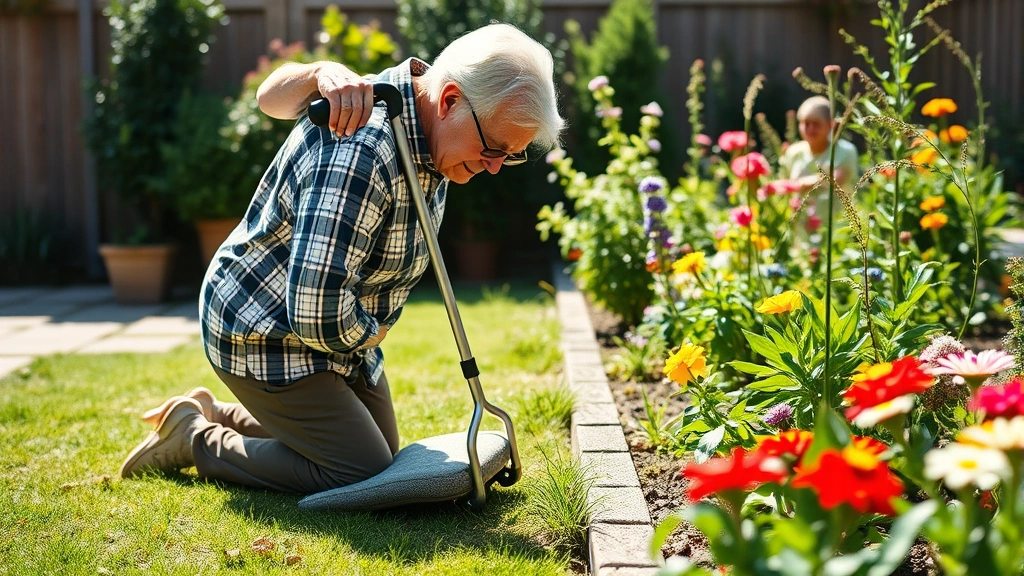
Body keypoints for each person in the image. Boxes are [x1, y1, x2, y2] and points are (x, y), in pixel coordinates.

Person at [119, 23, 564, 493]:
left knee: (382, 455)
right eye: (493, 148)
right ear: (450, 99)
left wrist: (363, 338)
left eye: (509, 157)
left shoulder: (429, 129)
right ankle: (196, 439)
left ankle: (212, 413)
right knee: (359, 469)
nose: (495, 166)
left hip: (336, 342)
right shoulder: (362, 149)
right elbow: (313, 311)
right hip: (263, 330)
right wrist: (370, 333)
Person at [779, 96, 859, 213]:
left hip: (836, 224)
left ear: (830, 124)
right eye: (806, 123)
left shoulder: (845, 151)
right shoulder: (794, 152)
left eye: (816, 124)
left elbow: (833, 182)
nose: (810, 129)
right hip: (799, 225)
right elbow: (784, 186)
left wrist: (796, 184)